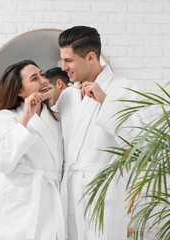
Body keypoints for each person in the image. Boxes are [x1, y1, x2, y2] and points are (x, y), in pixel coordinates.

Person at [58, 26, 141, 240]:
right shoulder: (67, 96)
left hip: (103, 193)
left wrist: (106, 102)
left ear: (91, 56)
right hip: (71, 191)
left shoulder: (123, 89)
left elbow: (139, 142)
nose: (62, 66)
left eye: (68, 60)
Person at [0, 60, 65, 240]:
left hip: (50, 200)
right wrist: (26, 117)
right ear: (20, 91)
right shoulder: (6, 117)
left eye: (42, 74)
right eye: (34, 78)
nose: (44, 80)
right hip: (17, 205)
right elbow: (3, 162)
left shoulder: (54, 118)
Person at [44, 67, 82, 176]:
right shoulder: (57, 109)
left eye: (48, 89)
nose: (46, 96)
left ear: (59, 84)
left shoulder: (77, 97)